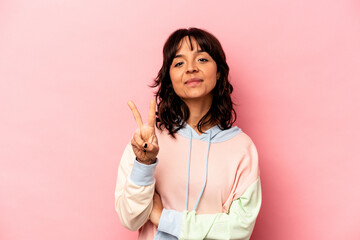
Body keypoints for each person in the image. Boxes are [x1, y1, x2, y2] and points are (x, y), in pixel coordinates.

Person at [115, 27, 262, 240]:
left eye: (202, 59)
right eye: (179, 63)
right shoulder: (147, 142)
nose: (191, 68)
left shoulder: (242, 148)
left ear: (219, 71)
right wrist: (144, 165)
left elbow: (240, 229)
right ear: (169, 78)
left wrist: (163, 218)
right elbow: (130, 219)